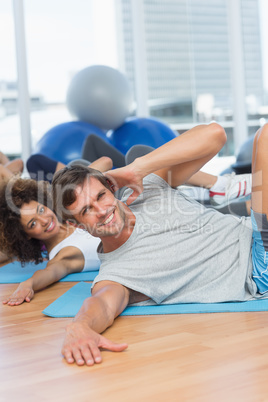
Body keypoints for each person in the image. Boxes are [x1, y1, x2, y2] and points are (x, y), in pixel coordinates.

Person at [51, 122, 265, 367]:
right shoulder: (116, 275)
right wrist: (80, 326)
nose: (102, 211)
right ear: (79, 226)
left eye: (101, 196)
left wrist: (137, 168)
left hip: (250, 229)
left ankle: (222, 186)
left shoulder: (148, 187)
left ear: (112, 188)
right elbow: (102, 304)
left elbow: (214, 135)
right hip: (258, 268)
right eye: (87, 210)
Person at [0, 156, 112, 306]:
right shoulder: (64, 253)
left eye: (41, 210)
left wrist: (70, 185)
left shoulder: (69, 214)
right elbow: (50, 272)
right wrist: (28, 284)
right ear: (25, 235)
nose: (45, 220)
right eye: (33, 223)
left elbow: (106, 161)